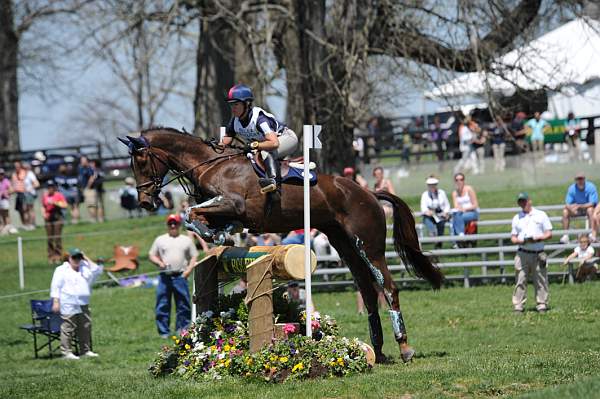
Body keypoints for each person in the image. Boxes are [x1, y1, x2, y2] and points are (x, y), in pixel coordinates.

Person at [220, 84, 298, 193]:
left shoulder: (259, 119)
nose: (233, 108)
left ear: (246, 104)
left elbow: (274, 143)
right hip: (267, 143)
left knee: (266, 152)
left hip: (286, 138)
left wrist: (254, 145)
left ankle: (274, 183)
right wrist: (216, 147)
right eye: (231, 104)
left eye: (236, 104)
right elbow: (227, 138)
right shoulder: (235, 121)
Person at [149, 214, 198, 337]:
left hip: (181, 276)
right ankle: (163, 332)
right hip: (164, 276)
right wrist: (159, 262)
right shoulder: (160, 239)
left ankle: (182, 329)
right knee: (162, 304)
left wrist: (188, 271)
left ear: (179, 225)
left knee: (183, 304)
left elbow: (194, 256)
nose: (172, 226)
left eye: (175, 223)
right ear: (167, 225)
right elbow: (151, 255)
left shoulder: (186, 240)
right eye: (170, 223)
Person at [50, 248, 103, 359]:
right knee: (68, 327)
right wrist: (56, 302)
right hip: (68, 303)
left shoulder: (85, 269)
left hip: (83, 302)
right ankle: (66, 352)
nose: (77, 259)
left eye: (79, 257)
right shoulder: (61, 270)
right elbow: (55, 286)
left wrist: (85, 257)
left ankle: (85, 351)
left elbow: (97, 270)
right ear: (69, 258)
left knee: (85, 327)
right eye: (74, 257)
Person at [511, 192, 552, 313]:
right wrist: (519, 241)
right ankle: (518, 305)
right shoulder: (516, 217)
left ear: (530, 201)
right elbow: (513, 237)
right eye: (520, 202)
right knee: (520, 280)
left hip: (538, 252)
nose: (522, 204)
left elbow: (549, 233)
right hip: (522, 252)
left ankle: (542, 304)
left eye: (524, 201)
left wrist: (538, 238)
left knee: (540, 280)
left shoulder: (541, 215)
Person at [560, 173, 598, 243]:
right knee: (565, 211)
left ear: (584, 179)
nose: (580, 181)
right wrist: (571, 208)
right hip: (577, 210)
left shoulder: (591, 187)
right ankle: (565, 235)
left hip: (588, 209)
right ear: (575, 180)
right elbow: (567, 203)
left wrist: (579, 206)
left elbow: (592, 203)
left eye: (581, 179)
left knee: (590, 210)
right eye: (578, 179)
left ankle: (591, 234)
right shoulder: (571, 188)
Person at [42, 180, 68, 264]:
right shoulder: (45, 196)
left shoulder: (59, 195)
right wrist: (44, 214)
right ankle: (50, 256)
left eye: (51, 187)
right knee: (49, 239)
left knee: (57, 238)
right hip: (48, 219)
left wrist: (55, 203)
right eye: (48, 187)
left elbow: (65, 205)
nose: (50, 189)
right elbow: (43, 206)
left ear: (54, 187)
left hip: (57, 218)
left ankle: (58, 256)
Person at [420, 175, 450, 247]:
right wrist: (428, 212)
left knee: (441, 223)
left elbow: (447, 205)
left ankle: (439, 241)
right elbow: (423, 207)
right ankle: (433, 233)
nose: (432, 187)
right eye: (430, 185)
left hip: (440, 215)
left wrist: (445, 212)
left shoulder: (442, 193)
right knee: (426, 219)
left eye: (434, 185)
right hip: (430, 216)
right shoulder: (425, 194)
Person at [451, 173, 479, 245]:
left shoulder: (469, 189)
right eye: (457, 180)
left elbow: (475, 205)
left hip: (472, 213)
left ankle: (458, 239)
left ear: (464, 180)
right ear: (455, 181)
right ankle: (460, 236)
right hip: (460, 213)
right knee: (456, 217)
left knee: (455, 219)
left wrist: (465, 209)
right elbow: (456, 206)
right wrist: (460, 209)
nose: (459, 181)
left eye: (461, 179)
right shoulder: (454, 193)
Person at [11, 161, 39, 230]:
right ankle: (28, 224)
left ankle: (32, 224)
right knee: (25, 210)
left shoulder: (30, 174)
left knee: (29, 209)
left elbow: (36, 184)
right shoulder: (21, 174)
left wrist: (29, 189)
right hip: (23, 193)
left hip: (29, 193)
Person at [0, 168, 16, 235]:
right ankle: (3, 228)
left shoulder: (6, 181)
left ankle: (9, 227)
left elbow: (12, 190)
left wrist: (5, 192)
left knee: (6, 214)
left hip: (4, 200)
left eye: (2, 174)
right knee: (1, 215)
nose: (1, 175)